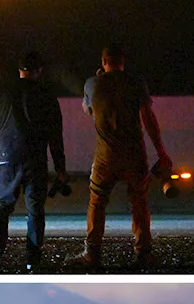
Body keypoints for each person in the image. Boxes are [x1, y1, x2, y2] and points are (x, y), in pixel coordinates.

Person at [68, 44, 171, 270]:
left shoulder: (92, 83)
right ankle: (143, 253)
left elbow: (88, 110)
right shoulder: (136, 84)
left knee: (97, 200)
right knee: (139, 202)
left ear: (104, 61)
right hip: (134, 154)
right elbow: (149, 119)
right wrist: (161, 151)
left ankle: (92, 253)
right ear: (123, 62)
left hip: (106, 155)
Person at [0, 51, 66, 271]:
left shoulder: (2, 92)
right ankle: (32, 259)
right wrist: (60, 168)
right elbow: (56, 135)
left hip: (8, 157)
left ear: (19, 70)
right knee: (35, 209)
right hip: (36, 157)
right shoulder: (47, 94)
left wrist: (0, 146)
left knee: (2, 205)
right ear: (39, 71)